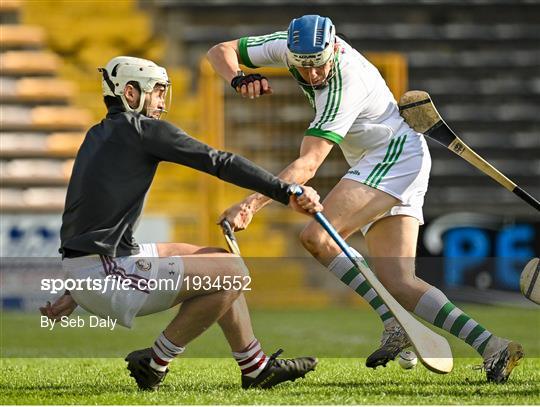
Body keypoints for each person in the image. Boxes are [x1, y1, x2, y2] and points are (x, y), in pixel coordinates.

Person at [207, 15, 524, 383]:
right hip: (392, 157)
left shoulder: (345, 83)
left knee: (316, 238)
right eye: (302, 67)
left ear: (333, 49)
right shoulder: (291, 48)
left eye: (318, 65)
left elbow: (308, 164)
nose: (311, 76)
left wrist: (249, 205)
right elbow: (221, 51)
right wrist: (239, 77)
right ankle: (493, 346)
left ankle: (393, 323)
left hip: (391, 158)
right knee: (398, 281)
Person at [39, 56, 323, 391]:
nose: (161, 101)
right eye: (156, 92)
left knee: (218, 260)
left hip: (94, 266)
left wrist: (76, 285)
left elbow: (84, 212)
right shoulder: (142, 130)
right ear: (130, 93)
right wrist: (286, 190)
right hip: (102, 270)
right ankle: (155, 361)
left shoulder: (98, 133)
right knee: (234, 274)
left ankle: (255, 368)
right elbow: (221, 162)